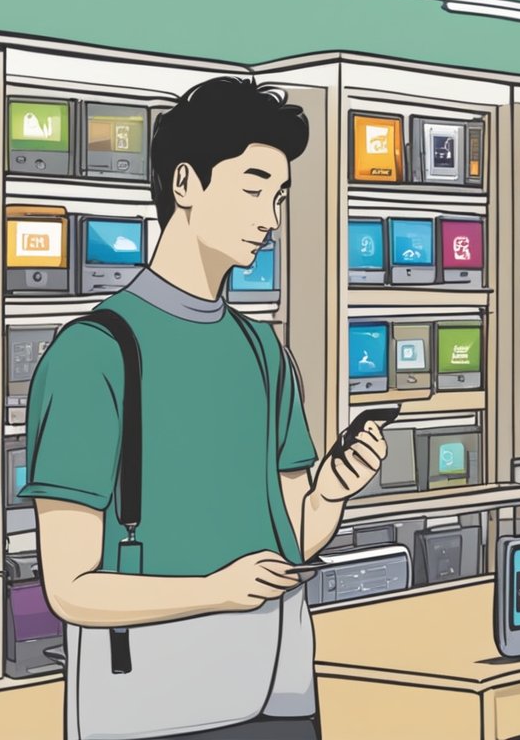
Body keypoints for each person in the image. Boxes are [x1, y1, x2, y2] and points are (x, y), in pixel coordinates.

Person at [21, 77, 387, 740]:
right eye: (252, 190)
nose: (270, 219)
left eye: (279, 197)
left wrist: (331, 492)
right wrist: (215, 590)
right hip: (155, 706)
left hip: (280, 686)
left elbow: (290, 539)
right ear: (186, 183)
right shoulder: (94, 354)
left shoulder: (262, 350)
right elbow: (70, 587)